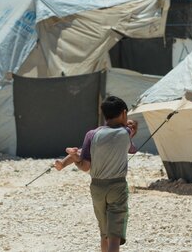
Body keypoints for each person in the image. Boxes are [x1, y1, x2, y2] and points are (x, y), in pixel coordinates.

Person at [63, 96, 137, 252]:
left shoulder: (92, 134)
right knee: (114, 235)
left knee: (104, 233)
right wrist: (131, 127)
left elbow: (85, 166)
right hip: (117, 186)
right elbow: (131, 146)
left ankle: (75, 155)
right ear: (124, 113)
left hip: (96, 187)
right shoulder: (126, 132)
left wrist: (77, 159)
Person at [53, 119, 137, 171]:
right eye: (129, 123)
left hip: (101, 161)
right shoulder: (113, 131)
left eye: (133, 127)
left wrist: (128, 137)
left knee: (80, 158)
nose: (131, 126)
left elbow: (133, 150)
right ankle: (62, 164)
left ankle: (73, 154)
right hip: (95, 151)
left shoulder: (128, 142)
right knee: (80, 153)